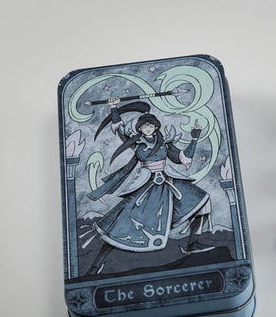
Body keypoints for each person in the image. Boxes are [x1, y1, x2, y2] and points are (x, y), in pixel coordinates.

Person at [85, 97, 213, 275]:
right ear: (139, 128)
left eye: (151, 126)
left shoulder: (165, 143)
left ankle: (192, 243)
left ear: (156, 127)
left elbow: (182, 157)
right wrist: (113, 108)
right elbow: (119, 128)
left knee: (202, 201)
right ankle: (96, 265)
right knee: (121, 223)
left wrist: (194, 137)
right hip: (146, 187)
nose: (148, 128)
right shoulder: (136, 143)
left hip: (169, 182)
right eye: (145, 126)